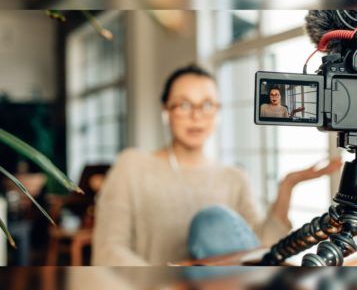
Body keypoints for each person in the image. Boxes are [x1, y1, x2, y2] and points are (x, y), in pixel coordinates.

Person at [92, 64, 341, 265]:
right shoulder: (133, 166)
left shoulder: (234, 177)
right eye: (184, 104)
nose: (196, 115)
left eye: (208, 105)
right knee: (211, 220)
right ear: (166, 110)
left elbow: (261, 248)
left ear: (218, 114)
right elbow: (108, 251)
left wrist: (288, 186)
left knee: (214, 221)